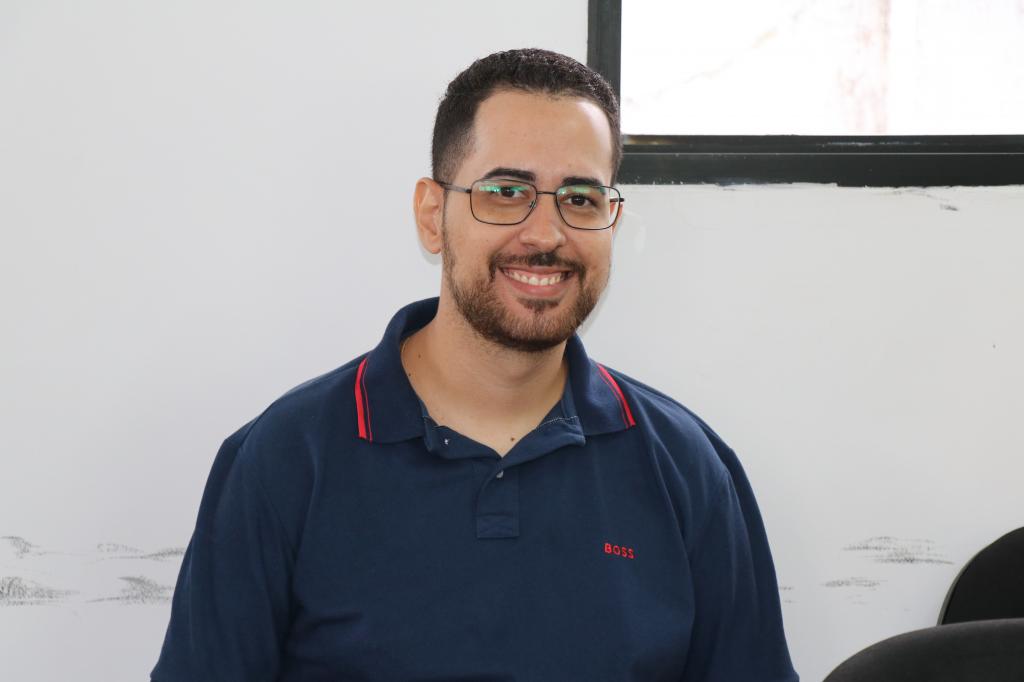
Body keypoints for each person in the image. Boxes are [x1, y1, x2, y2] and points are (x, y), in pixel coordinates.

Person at [152, 48, 799, 681]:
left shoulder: (687, 467)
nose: (545, 234)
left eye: (580, 198)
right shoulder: (285, 460)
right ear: (432, 216)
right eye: (506, 191)